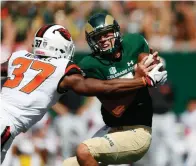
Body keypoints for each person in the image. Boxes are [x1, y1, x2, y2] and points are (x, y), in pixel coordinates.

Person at [0, 24, 161, 163]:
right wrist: (142, 81)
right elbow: (105, 87)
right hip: (5, 124)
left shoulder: (18, 57)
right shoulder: (62, 68)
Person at [63, 13, 167, 166]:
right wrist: (139, 80)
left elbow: (150, 61)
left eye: (107, 34)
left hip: (137, 131)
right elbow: (117, 110)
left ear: (117, 31)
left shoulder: (134, 43)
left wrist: (154, 65)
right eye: (98, 37)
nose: (104, 40)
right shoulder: (91, 65)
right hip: (112, 127)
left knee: (84, 151)